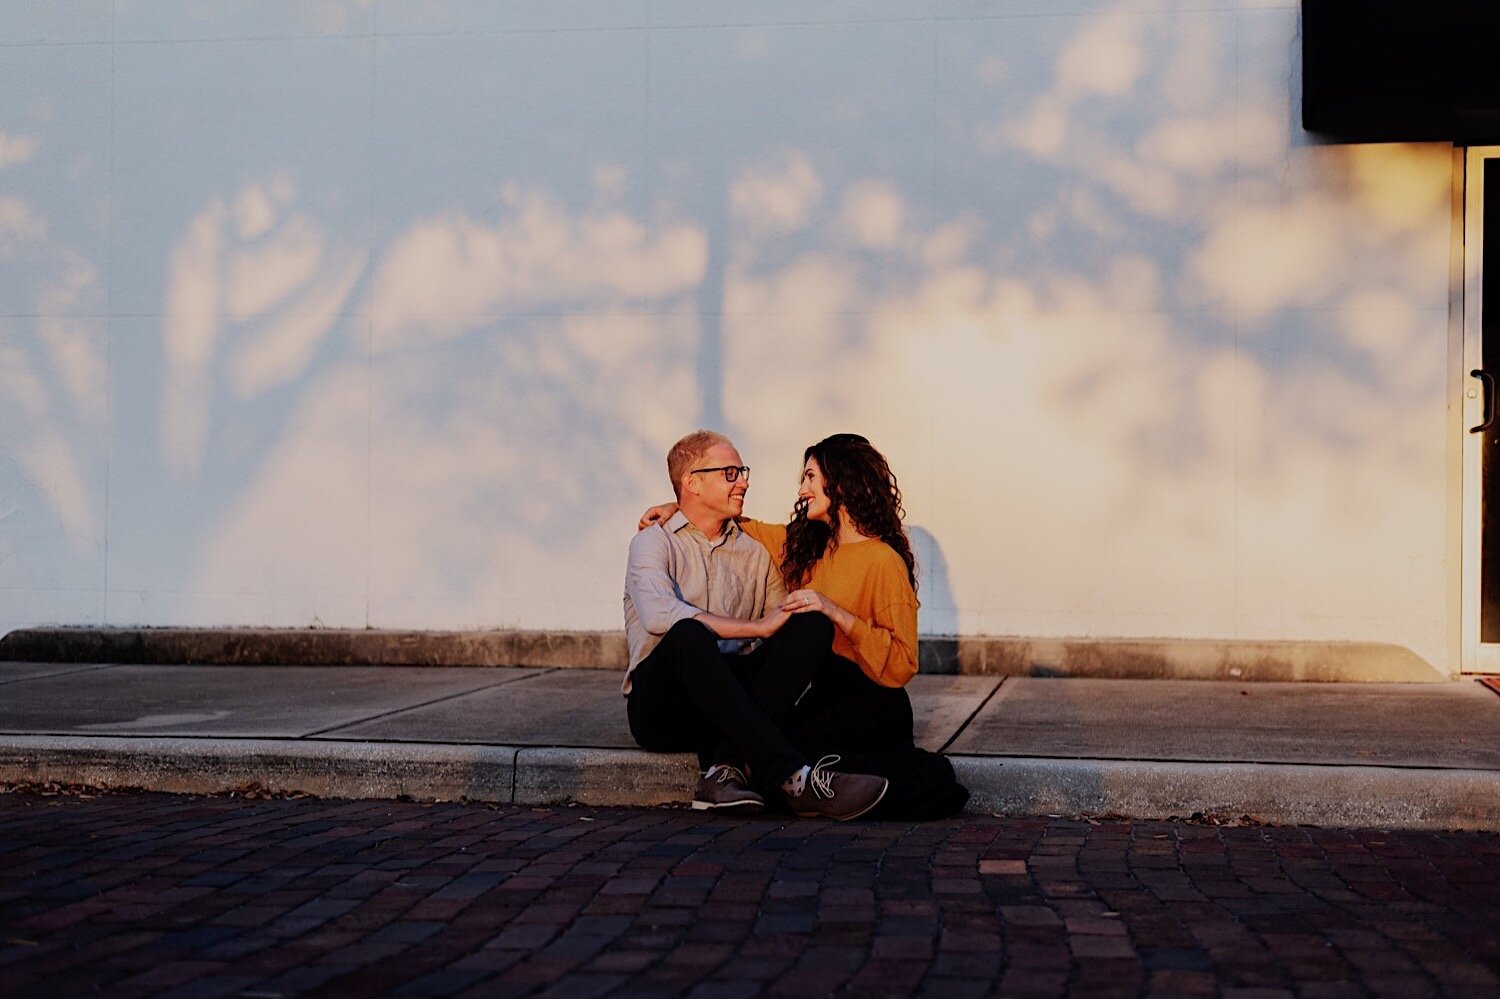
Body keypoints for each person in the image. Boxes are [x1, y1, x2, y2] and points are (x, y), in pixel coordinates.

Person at [639, 433, 969, 819]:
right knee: (780, 694)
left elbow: (901, 665)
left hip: (866, 699)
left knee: (806, 653)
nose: (802, 489)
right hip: (814, 695)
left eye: (810, 477)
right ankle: (762, 774)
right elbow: (734, 522)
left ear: (840, 482)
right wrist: (675, 504)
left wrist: (837, 612)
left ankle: (739, 768)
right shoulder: (804, 546)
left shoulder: (883, 561)